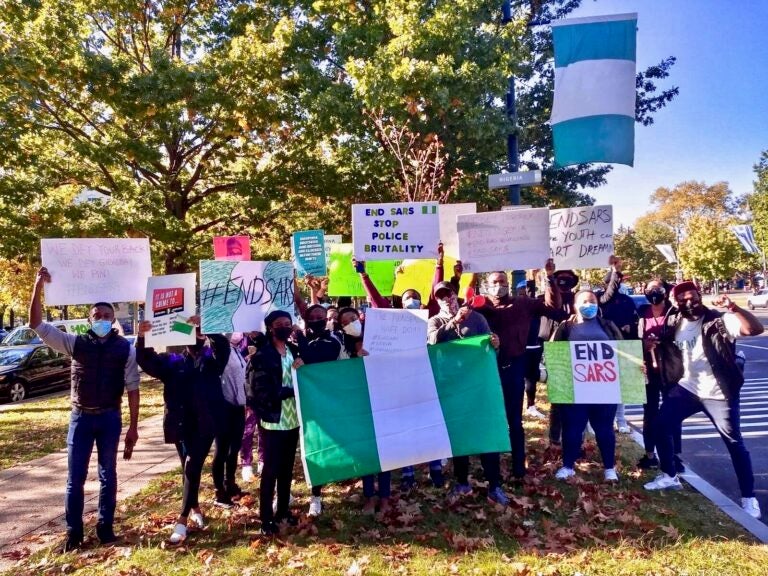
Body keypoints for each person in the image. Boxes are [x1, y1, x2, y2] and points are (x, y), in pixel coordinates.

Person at [29, 267, 140, 551]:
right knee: (74, 479)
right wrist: (38, 285)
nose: (102, 319)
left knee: (108, 476)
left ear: (113, 318)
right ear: (89, 319)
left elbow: (132, 387)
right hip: (80, 418)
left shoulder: (125, 349)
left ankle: (105, 529)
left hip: (109, 418)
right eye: (97, 315)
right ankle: (73, 534)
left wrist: (133, 428)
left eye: (106, 315)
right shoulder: (74, 343)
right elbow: (37, 325)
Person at [644, 282, 764, 519]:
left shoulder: (718, 320)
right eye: (683, 298)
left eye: (693, 296)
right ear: (676, 302)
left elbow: (755, 330)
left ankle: (749, 498)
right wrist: (651, 349)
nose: (689, 301)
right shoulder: (675, 322)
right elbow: (666, 348)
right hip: (687, 389)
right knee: (659, 426)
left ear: (700, 296)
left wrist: (735, 309)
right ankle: (669, 476)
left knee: (733, 442)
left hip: (718, 391)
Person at [135, 317, 230, 543]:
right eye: (189, 332)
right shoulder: (173, 360)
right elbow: (147, 361)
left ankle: (182, 519)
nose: (194, 337)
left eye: (198, 332)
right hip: (180, 423)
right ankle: (195, 507)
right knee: (188, 468)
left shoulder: (212, 360)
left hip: (206, 423)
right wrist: (142, 337)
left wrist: (209, 330)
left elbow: (223, 348)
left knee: (192, 465)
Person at [476, 260, 561, 481]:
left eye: (502, 281)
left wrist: (550, 278)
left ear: (509, 283)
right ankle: (490, 468)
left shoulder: (524, 304)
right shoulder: (481, 307)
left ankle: (518, 469)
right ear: (487, 284)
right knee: (490, 418)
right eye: (494, 282)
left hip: (514, 368)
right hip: (487, 371)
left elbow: (553, 308)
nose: (499, 285)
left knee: (515, 420)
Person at [428, 281, 507, 505]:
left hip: (478, 387)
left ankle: (494, 485)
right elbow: (433, 342)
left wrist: (496, 343)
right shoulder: (435, 321)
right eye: (441, 296)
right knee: (460, 436)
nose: (446, 299)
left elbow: (490, 349)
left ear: (456, 295)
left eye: (449, 294)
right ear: (437, 300)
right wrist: (454, 321)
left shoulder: (477, 318)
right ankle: (462, 482)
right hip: (452, 387)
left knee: (485, 435)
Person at [550, 290, 625, 482]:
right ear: (575, 305)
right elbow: (554, 353)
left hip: (604, 388)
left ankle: (609, 468)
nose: (588, 305)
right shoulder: (566, 327)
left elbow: (623, 352)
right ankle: (568, 466)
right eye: (584, 302)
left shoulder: (607, 326)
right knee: (572, 428)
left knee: (605, 429)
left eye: (592, 301)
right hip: (575, 388)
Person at [247, 310, 303, 535]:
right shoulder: (262, 355)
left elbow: (302, 373)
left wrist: (301, 366)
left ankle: (282, 511)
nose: (285, 327)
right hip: (274, 421)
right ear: (270, 327)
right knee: (270, 470)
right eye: (279, 323)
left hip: (292, 419)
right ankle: (266, 519)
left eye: (288, 323)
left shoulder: (292, 350)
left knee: (287, 469)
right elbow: (262, 391)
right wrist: (291, 391)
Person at [295, 304, 345, 516]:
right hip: (302, 400)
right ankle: (295, 493)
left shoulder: (334, 339)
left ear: (326, 318)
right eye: (311, 317)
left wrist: (301, 348)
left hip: (327, 401)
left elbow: (314, 357)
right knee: (303, 447)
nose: (316, 319)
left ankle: (317, 495)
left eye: (320, 316)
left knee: (322, 445)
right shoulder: (296, 338)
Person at [636, 279, 682, 470]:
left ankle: (675, 456)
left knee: (673, 413)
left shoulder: (675, 313)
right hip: (647, 371)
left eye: (658, 288)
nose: (653, 292)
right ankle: (649, 454)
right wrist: (643, 345)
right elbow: (630, 338)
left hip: (670, 370)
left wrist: (664, 341)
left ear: (665, 291)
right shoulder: (639, 314)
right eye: (649, 288)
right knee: (650, 413)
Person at [211, 333, 248, 505]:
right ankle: (219, 491)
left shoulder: (236, 349)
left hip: (238, 407)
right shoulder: (219, 348)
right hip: (224, 407)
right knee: (222, 450)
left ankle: (230, 483)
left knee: (234, 449)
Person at [241, 331, 267, 482]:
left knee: (264, 430)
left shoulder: (266, 340)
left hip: (264, 396)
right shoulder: (239, 342)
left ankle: (263, 461)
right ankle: (246, 464)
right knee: (247, 431)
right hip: (248, 396)